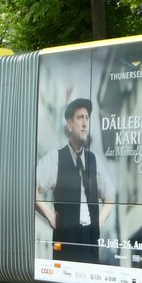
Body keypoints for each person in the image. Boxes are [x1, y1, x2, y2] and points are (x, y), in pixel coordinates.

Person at [35, 97, 116, 263]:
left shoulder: (95, 161)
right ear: (70, 125)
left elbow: (110, 198)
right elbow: (29, 187)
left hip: (90, 242)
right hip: (66, 241)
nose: (85, 123)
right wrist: (49, 216)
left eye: (87, 118)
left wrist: (97, 223)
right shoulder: (55, 158)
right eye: (80, 118)